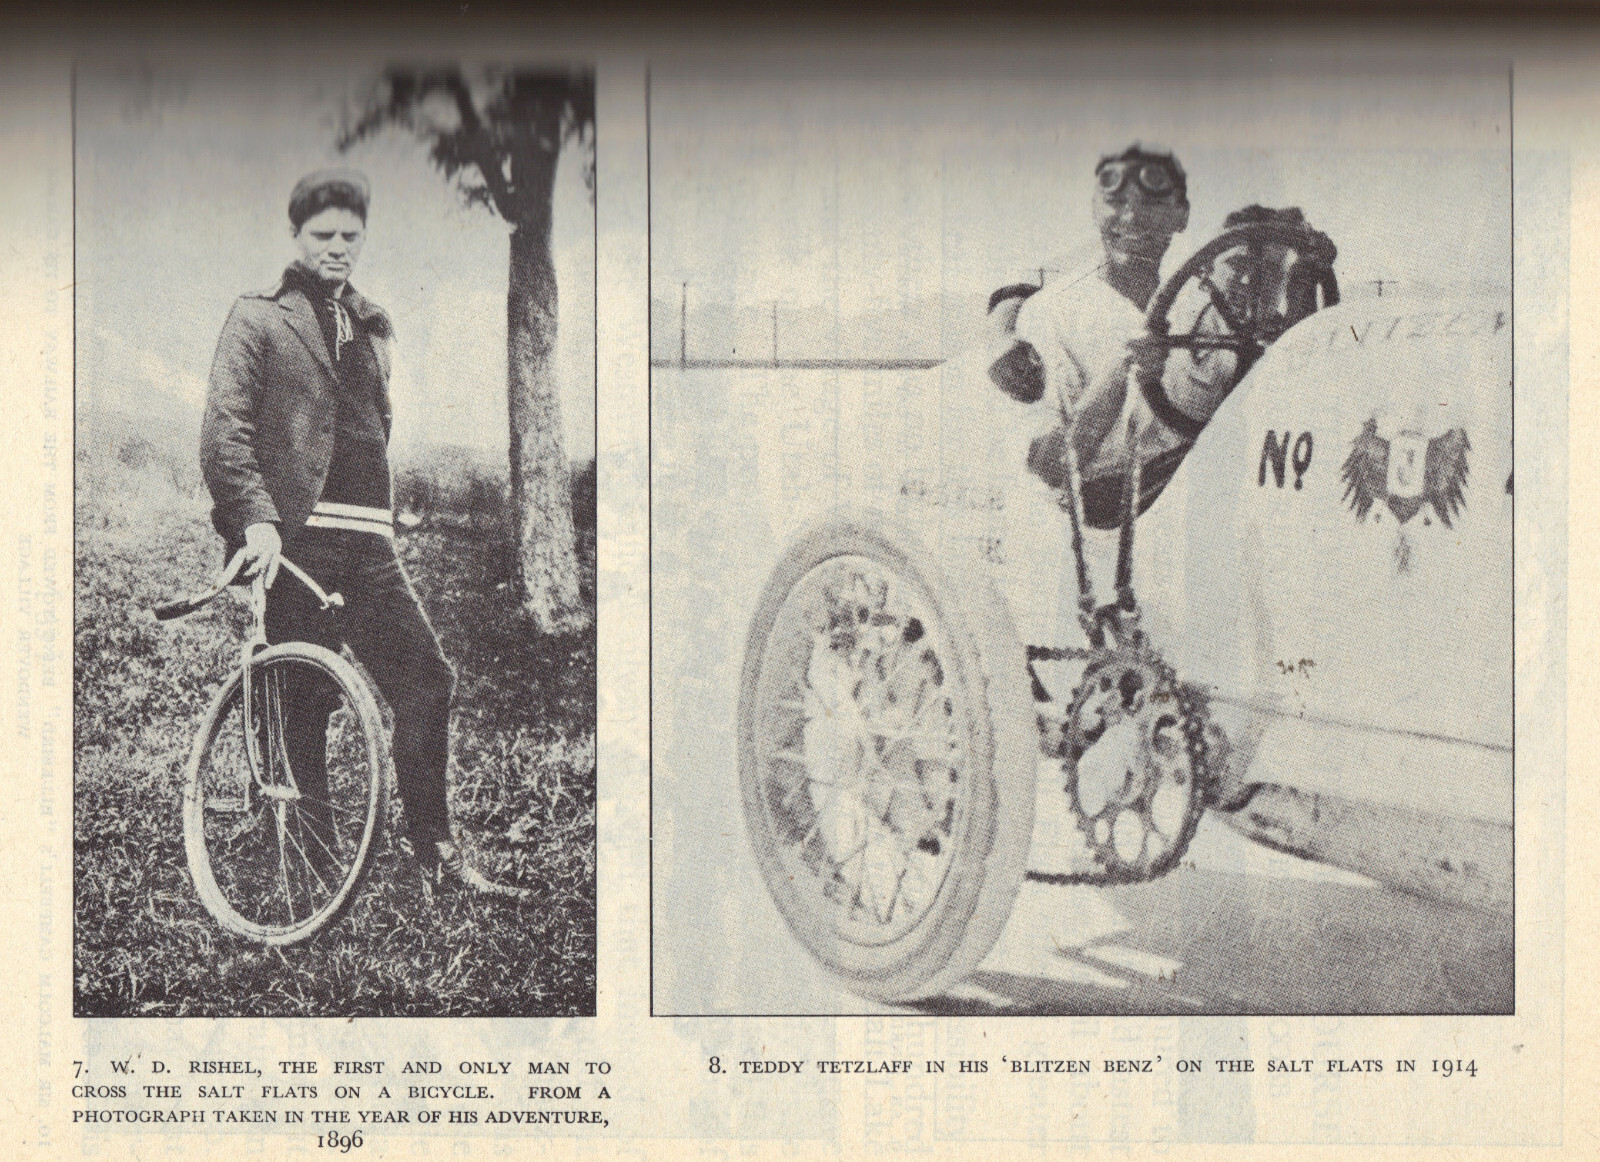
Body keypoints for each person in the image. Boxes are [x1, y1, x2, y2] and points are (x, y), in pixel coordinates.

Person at [200, 168, 463, 886]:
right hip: (296, 541)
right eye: (324, 235)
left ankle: (435, 855)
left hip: (367, 544)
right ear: (296, 236)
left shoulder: (375, 326)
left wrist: (386, 514)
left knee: (426, 683)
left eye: (351, 235)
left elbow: (370, 431)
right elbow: (224, 436)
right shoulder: (258, 318)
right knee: (304, 699)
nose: (338, 247)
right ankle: (315, 865)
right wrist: (256, 523)